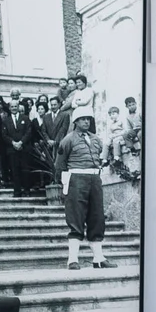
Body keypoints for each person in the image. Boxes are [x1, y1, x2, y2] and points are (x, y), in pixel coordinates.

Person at [54, 107, 112, 269]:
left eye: (88, 119)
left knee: (97, 216)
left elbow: (102, 155)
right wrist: (64, 185)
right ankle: (72, 259)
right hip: (76, 179)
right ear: (76, 122)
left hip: (95, 179)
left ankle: (98, 258)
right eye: (83, 119)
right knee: (76, 216)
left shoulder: (96, 139)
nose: (86, 121)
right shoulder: (68, 139)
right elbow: (59, 164)